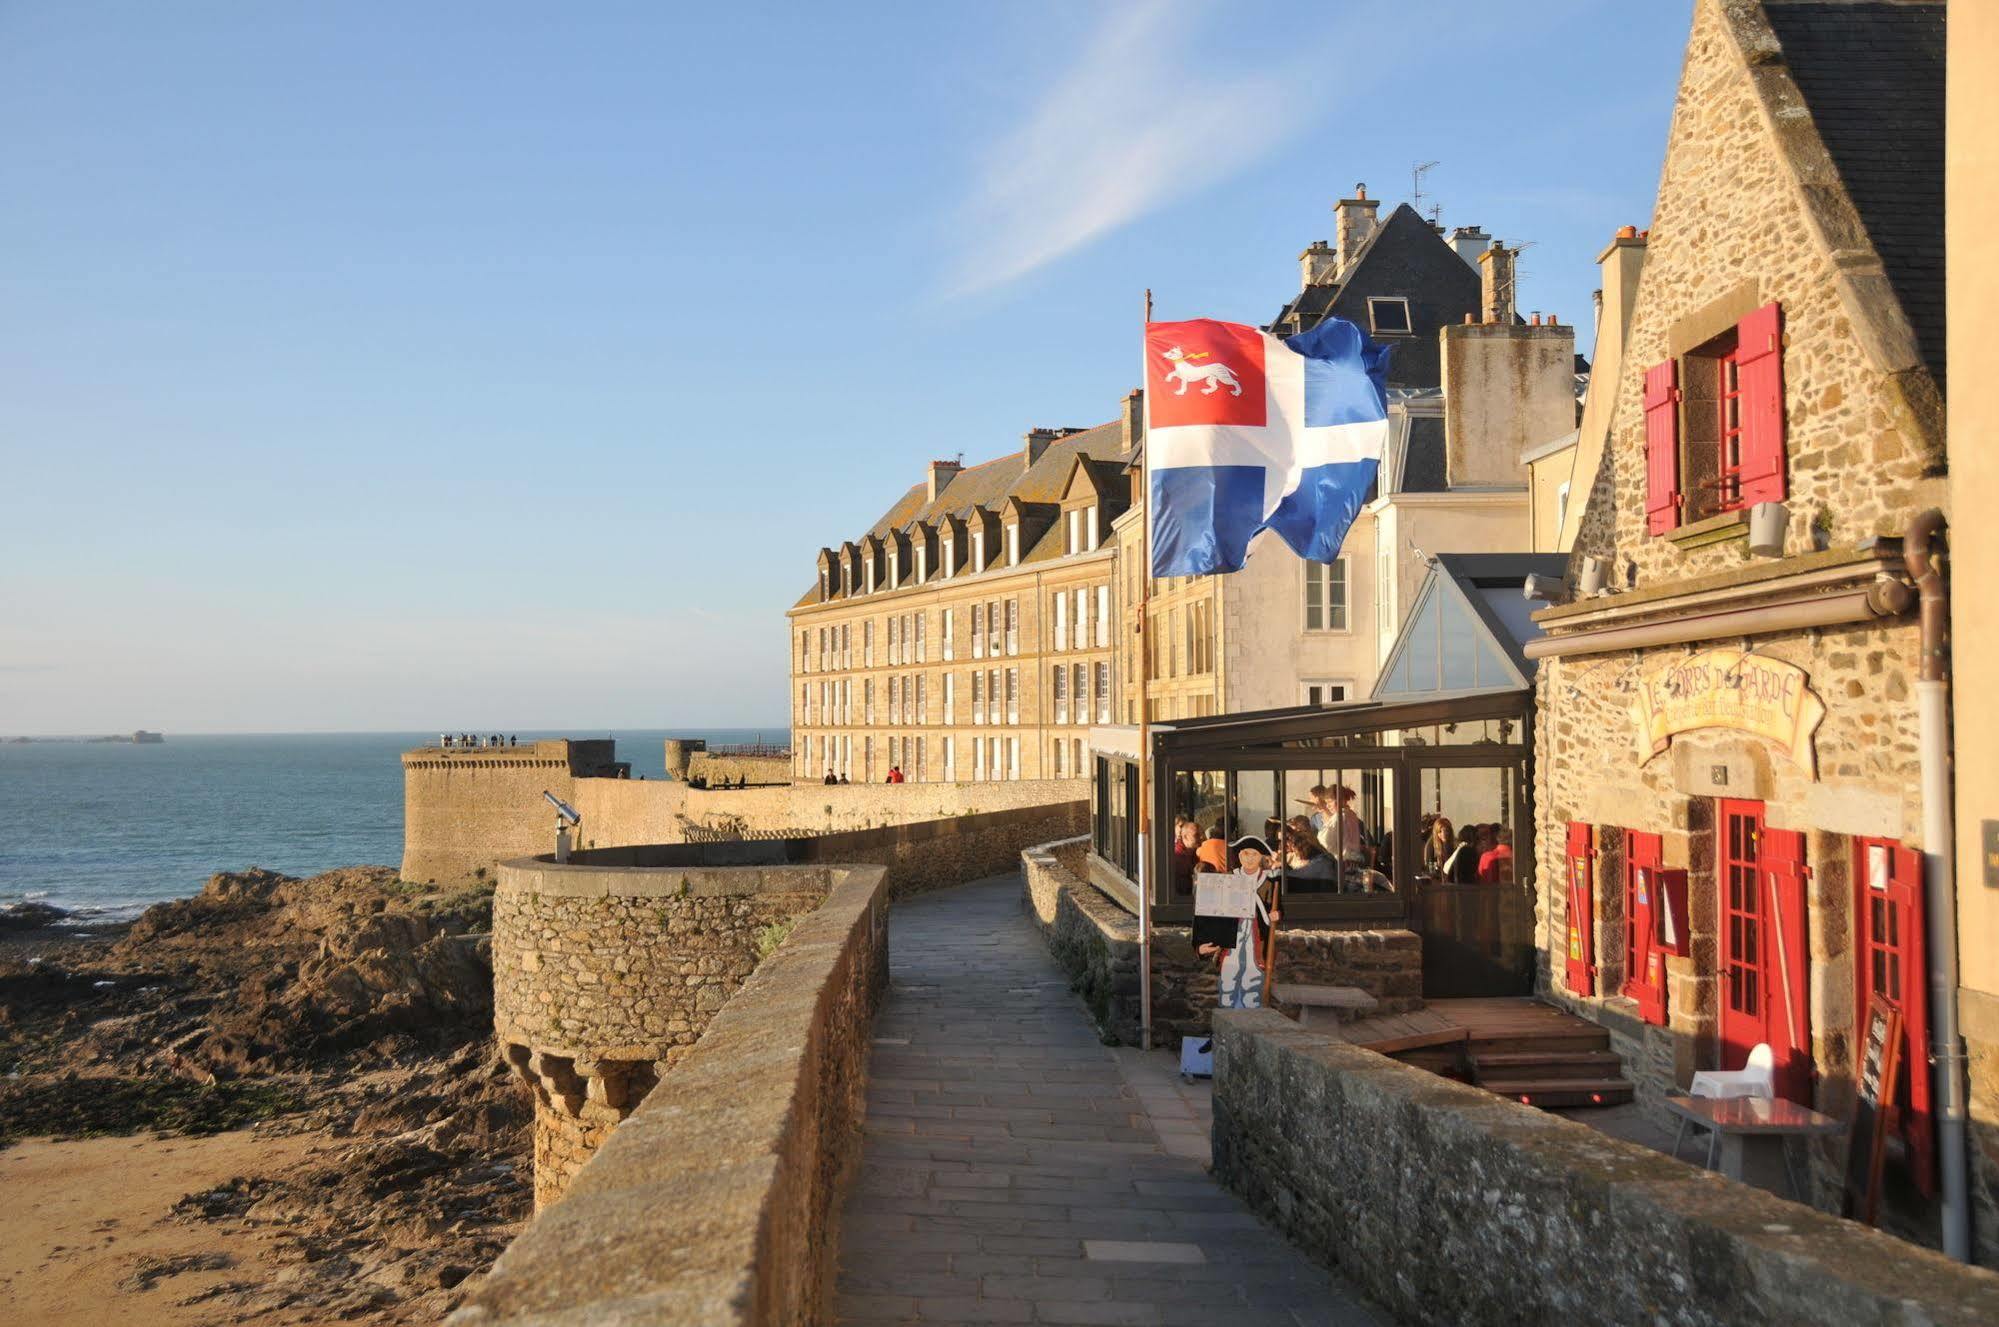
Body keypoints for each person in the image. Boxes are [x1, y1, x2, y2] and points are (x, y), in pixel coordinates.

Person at [1197, 836, 1280, 1010]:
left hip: (1256, 936)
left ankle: (1250, 1022)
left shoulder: (1269, 883)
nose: (1249, 858)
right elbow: (1210, 912)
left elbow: (1277, 908)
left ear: (1261, 857)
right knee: (1229, 976)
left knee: (1253, 978)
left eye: (1254, 854)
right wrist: (1201, 943)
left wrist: (1276, 914)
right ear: (1240, 856)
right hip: (1232, 936)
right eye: (1245, 853)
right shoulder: (1228, 878)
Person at [1170, 818, 1200, 897]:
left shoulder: (1194, 852)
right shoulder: (1177, 856)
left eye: (1201, 834)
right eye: (1196, 835)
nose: (1201, 838)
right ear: (1185, 837)